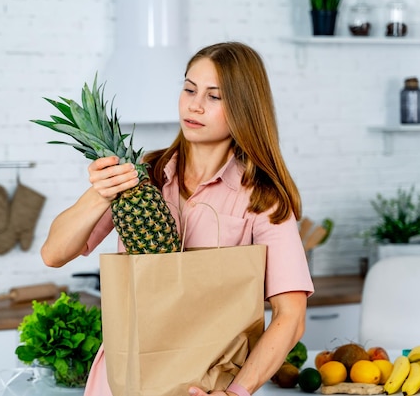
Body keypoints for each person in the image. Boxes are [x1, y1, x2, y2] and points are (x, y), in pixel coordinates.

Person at [40, 41, 314, 396]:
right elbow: (54, 254)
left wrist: (238, 392)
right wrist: (99, 193)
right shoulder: (142, 176)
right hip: (123, 377)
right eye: (189, 89)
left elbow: (291, 317)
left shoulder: (262, 199)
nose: (194, 105)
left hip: (203, 385)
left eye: (214, 96)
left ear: (244, 108)